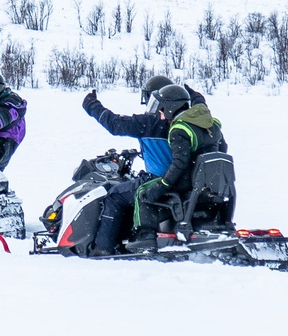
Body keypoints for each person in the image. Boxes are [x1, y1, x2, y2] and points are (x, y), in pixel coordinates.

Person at [78, 76, 206, 254]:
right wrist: (195, 95)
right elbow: (202, 106)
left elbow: (115, 124)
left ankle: (103, 247)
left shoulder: (149, 123)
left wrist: (92, 105)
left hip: (161, 179)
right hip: (187, 181)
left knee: (114, 195)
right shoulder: (191, 122)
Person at [131, 83, 226, 243]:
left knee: (144, 192)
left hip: (188, 182)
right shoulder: (210, 124)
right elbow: (222, 149)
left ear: (170, 108)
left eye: (162, 110)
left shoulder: (179, 129)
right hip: (210, 183)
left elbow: (180, 163)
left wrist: (162, 185)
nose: (161, 116)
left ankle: (146, 239)